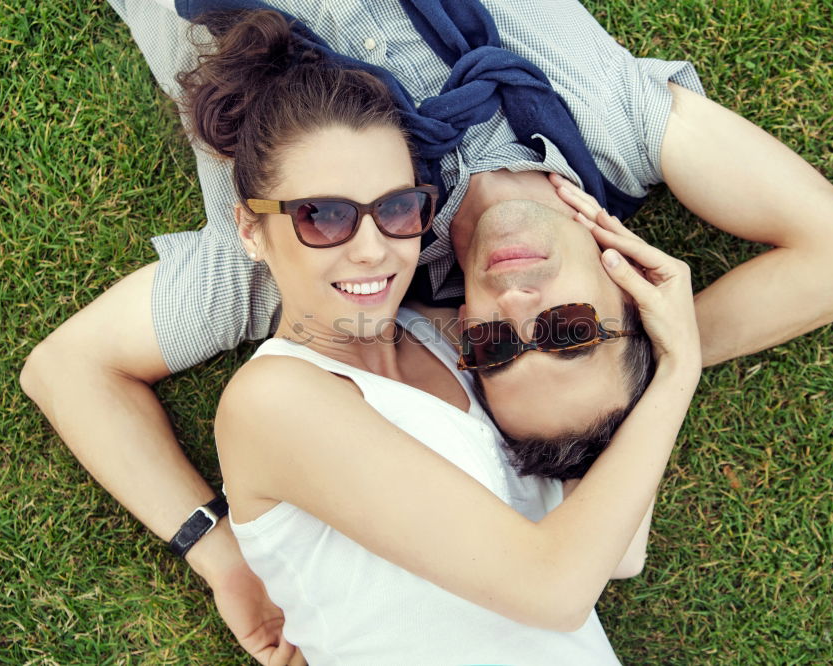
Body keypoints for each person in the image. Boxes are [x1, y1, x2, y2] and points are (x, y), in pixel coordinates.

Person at [19, 0, 833, 661]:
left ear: (457, 338)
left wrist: (222, 557)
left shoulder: (332, 269)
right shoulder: (613, 127)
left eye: (496, 348)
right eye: (571, 329)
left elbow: (69, 369)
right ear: (629, 293)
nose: (519, 311)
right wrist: (673, 350)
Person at [178, 11, 699, 663]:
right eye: (324, 217)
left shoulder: (478, 355)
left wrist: (650, 336)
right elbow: (558, 586)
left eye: (396, 209)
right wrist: (678, 369)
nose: (372, 250)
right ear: (251, 233)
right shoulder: (275, 399)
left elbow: (618, 550)